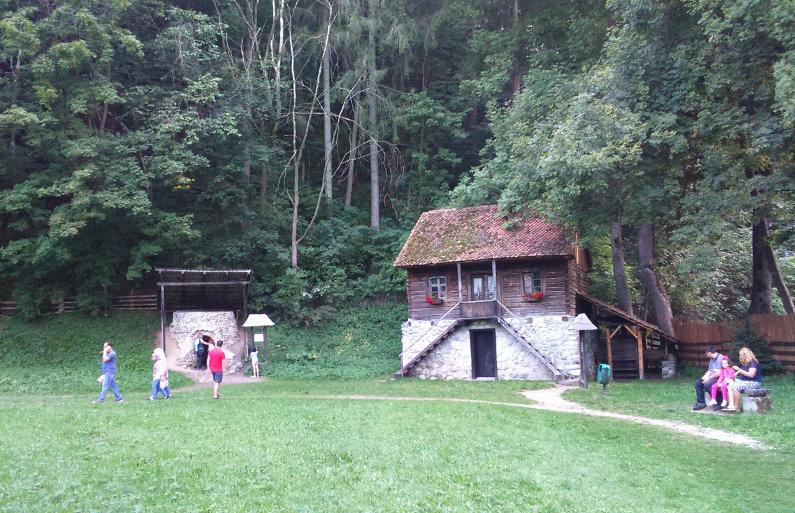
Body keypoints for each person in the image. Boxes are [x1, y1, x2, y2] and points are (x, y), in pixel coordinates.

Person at [726, 347, 762, 412]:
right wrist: (737, 373)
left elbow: (751, 375)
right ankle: (731, 405)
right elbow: (743, 372)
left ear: (746, 355)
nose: (740, 357)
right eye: (740, 355)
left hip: (754, 382)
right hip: (745, 381)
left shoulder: (753, 363)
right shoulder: (745, 363)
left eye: (742, 355)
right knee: (729, 383)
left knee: (736, 387)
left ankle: (736, 407)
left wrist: (739, 370)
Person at [693, 345, 723, 410]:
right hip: (711, 377)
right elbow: (710, 370)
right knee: (698, 383)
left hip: (719, 378)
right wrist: (704, 378)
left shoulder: (720, 358)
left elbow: (718, 373)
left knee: (707, 385)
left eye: (706, 353)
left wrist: (708, 379)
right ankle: (701, 403)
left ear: (709, 353)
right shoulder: (712, 359)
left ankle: (719, 402)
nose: (706, 355)